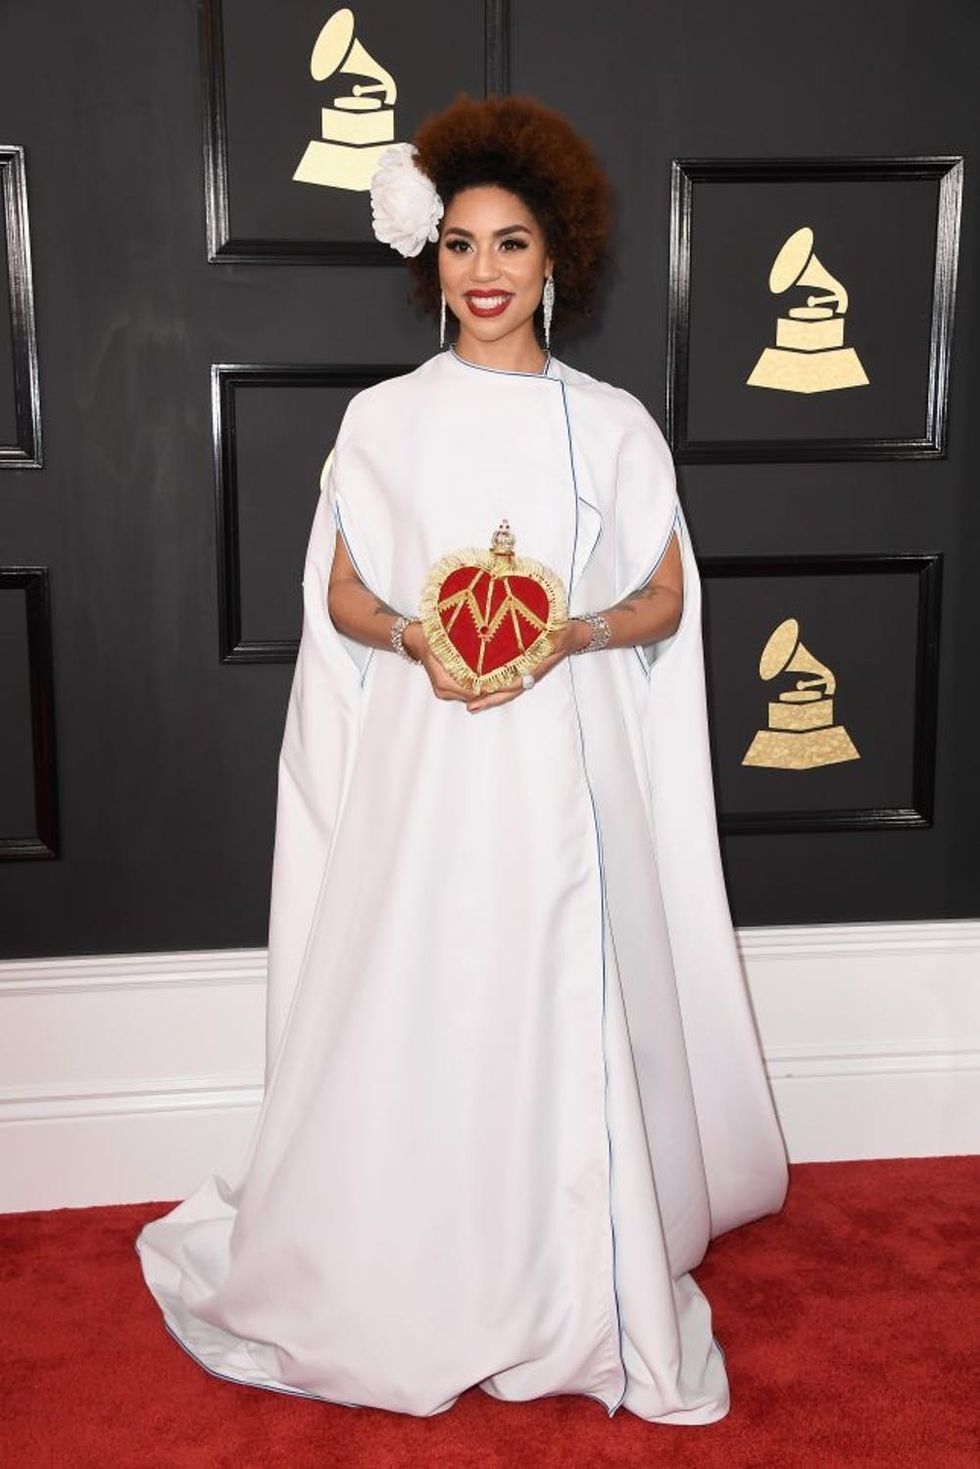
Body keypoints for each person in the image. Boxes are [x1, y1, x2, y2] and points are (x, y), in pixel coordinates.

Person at [136, 94, 788, 1425]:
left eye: (513, 244)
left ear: (559, 262)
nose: (484, 272)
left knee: (556, 984)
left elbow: (665, 598)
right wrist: (426, 634)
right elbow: (346, 602)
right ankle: (412, 1251)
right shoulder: (385, 421)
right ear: (431, 257)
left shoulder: (612, 426)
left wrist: (568, 632)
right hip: (429, 770)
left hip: (564, 765)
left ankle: (564, 1261)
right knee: (430, 984)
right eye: (462, 245)